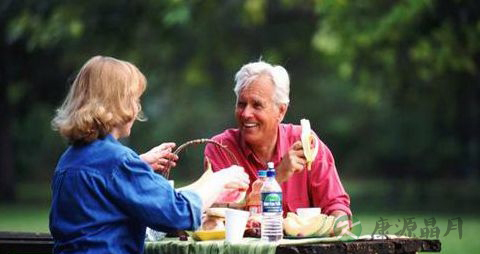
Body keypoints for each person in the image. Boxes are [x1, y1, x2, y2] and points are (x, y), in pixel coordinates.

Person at [49, 56, 249, 253]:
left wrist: (138, 164)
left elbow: (102, 196)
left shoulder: (68, 160)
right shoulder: (118, 162)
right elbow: (179, 213)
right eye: (134, 99)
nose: (137, 108)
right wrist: (221, 178)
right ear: (118, 104)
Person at [204, 60, 351, 218]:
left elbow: (336, 205)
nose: (246, 113)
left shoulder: (305, 143)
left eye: (257, 105)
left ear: (281, 111)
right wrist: (278, 175)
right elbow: (219, 216)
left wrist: (339, 227)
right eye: (241, 104)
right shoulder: (220, 148)